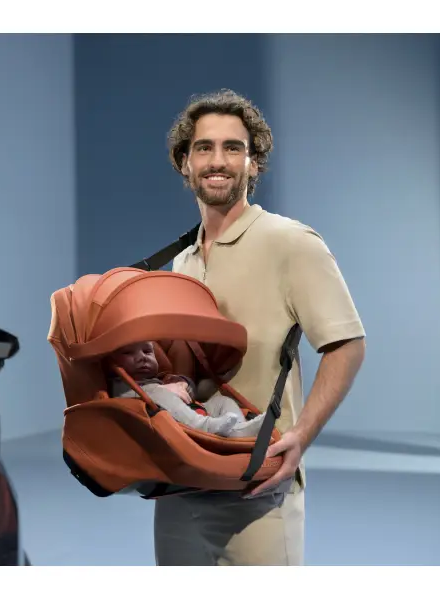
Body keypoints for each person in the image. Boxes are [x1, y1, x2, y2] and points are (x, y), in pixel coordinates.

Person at [154, 89, 366, 566]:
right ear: (185, 163)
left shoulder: (291, 243)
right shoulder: (181, 263)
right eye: (204, 148)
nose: (218, 160)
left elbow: (347, 345)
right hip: (181, 487)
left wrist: (301, 437)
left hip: (258, 490)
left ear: (254, 164)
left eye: (233, 148)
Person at [104, 340, 266, 438]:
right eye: (128, 353)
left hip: (193, 410)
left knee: (221, 401)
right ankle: (207, 427)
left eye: (147, 351)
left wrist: (183, 384)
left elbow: (188, 394)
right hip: (170, 424)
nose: (142, 357)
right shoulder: (119, 385)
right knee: (157, 392)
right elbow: (126, 399)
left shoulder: (162, 379)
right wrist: (163, 390)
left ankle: (239, 429)